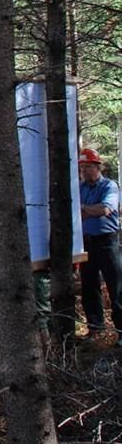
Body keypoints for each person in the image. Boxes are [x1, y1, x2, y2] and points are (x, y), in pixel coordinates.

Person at [78, 148, 122, 346]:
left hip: (107, 242)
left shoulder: (109, 186)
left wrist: (85, 209)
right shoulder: (80, 187)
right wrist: (89, 210)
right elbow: (76, 212)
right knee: (89, 287)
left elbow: (104, 209)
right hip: (86, 243)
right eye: (82, 167)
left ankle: (121, 331)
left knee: (116, 286)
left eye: (87, 166)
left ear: (97, 166)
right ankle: (95, 328)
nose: (84, 171)